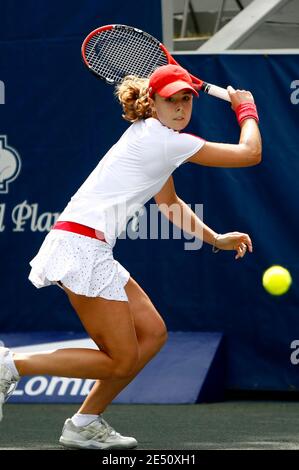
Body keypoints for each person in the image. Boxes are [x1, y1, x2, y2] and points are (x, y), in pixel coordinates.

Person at [0, 64, 261, 449]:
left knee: (152, 334)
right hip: (81, 246)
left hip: (88, 244)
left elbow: (169, 204)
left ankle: (84, 422)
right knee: (120, 360)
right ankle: (12, 365)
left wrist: (216, 238)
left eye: (186, 99)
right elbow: (249, 153)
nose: (180, 107)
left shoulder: (157, 138)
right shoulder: (164, 140)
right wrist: (246, 109)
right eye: (171, 99)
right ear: (152, 102)